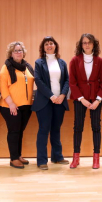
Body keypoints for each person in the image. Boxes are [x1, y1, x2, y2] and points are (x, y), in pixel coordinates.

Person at [69, 33, 102, 169]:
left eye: (89, 42)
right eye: (84, 42)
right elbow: (72, 83)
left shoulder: (100, 61)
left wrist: (98, 100)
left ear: (94, 44)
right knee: (78, 127)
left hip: (96, 100)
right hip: (80, 100)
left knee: (96, 127)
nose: (87, 45)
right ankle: (76, 158)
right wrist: (81, 99)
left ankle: (96, 158)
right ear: (81, 45)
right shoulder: (74, 60)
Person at [32, 36, 70, 170]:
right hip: (44, 101)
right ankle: (42, 160)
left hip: (60, 101)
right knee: (44, 129)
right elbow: (38, 80)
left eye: (51, 43)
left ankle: (57, 157)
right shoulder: (39, 62)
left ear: (55, 46)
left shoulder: (62, 62)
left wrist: (62, 95)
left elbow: (66, 81)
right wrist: (51, 96)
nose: (49, 46)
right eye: (46, 44)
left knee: (56, 129)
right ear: (43, 48)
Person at [0, 42, 34, 169]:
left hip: (26, 105)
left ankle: (18, 155)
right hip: (10, 106)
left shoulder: (27, 66)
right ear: (11, 54)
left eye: (20, 50)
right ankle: (13, 158)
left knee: (20, 132)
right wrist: (11, 104)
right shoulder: (6, 67)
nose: (18, 52)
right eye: (15, 51)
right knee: (14, 131)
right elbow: (2, 87)